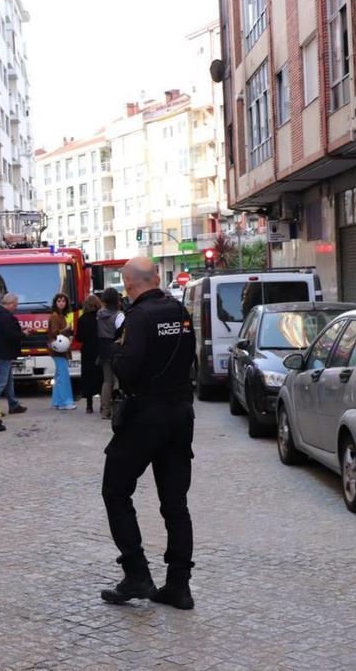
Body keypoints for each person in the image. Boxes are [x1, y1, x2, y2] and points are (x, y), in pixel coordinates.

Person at [100, 257, 196, 611]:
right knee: (175, 503)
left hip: (145, 417)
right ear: (156, 278)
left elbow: (128, 369)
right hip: (180, 414)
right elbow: (188, 357)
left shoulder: (138, 317)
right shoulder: (180, 312)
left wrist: (114, 350)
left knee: (115, 490)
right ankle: (179, 585)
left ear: (128, 284)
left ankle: (137, 573)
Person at [0, 293, 31, 415]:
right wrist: (24, 334)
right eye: (15, 305)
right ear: (10, 304)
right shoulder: (5, 317)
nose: (16, 308)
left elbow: (5, 331)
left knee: (8, 380)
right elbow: (11, 335)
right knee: (1, 382)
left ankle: (13, 404)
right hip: (3, 353)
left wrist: (19, 329)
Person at [97, 288, 124, 420]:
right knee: (118, 379)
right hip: (116, 349)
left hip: (103, 349)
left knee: (107, 381)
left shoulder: (99, 314)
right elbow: (123, 332)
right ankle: (118, 408)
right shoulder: (119, 315)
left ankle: (105, 410)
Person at [75, 294, 103, 415]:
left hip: (87, 351)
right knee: (101, 376)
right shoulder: (101, 318)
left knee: (88, 376)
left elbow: (79, 338)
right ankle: (103, 404)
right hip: (99, 349)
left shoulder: (82, 319)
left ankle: (89, 405)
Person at [47, 293, 76, 410]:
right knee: (63, 376)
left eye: (63, 301)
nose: (61, 303)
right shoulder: (55, 316)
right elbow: (54, 333)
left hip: (59, 349)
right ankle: (65, 402)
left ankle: (57, 401)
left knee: (59, 376)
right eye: (59, 301)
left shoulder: (61, 316)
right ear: (55, 303)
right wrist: (66, 330)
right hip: (58, 349)